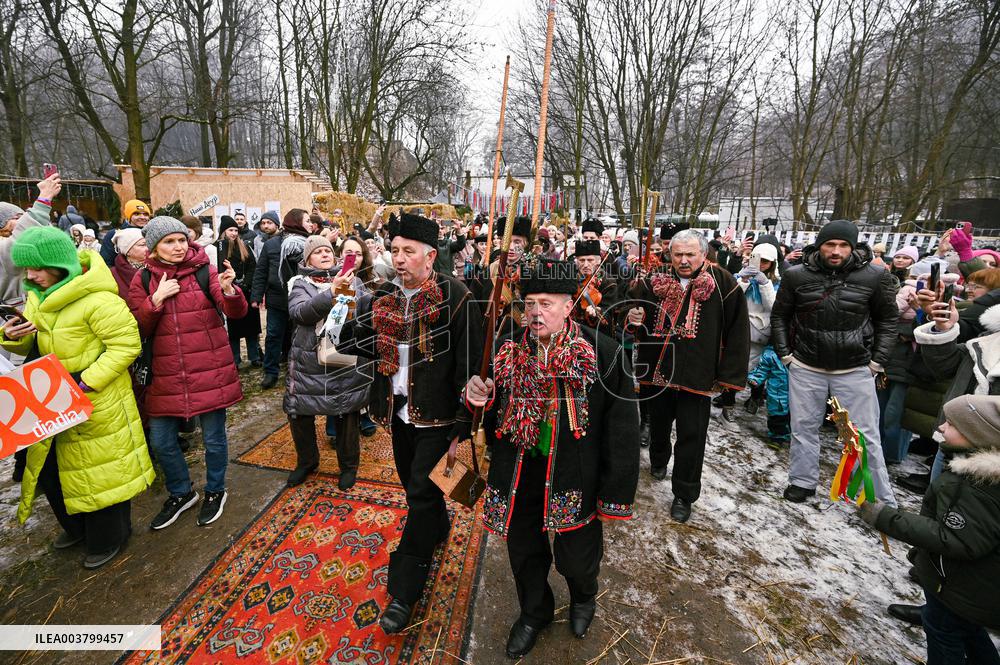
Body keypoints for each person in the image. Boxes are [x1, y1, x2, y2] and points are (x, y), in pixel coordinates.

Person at [464, 258, 640, 659]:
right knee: (524, 553)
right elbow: (487, 406)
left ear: (568, 305)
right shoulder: (507, 347)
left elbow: (623, 431)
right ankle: (533, 611)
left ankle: (582, 598)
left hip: (574, 474)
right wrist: (478, 396)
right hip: (519, 468)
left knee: (578, 558)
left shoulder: (603, 353)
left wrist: (616, 492)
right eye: (529, 303)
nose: (536, 312)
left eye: (546, 303)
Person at [336, 211, 483, 634]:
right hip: (397, 414)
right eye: (394, 250)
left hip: (438, 418)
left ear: (430, 255)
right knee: (414, 485)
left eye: (408, 251)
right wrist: (343, 300)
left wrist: (463, 423)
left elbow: (469, 366)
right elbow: (350, 342)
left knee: (419, 495)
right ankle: (438, 523)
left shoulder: (456, 296)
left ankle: (404, 590)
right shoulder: (383, 296)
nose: (399, 259)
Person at [1, 226, 154, 569]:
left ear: (58, 263)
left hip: (95, 397)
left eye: (37, 267)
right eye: (26, 269)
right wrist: (12, 335)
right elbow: (32, 344)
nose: (31, 275)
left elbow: (127, 345)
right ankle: (77, 525)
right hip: (52, 398)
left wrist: (87, 381)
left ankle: (110, 536)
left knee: (100, 470)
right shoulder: (37, 298)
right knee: (53, 468)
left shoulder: (100, 300)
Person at [858, 394, 1000, 665]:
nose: (941, 428)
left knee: (942, 629)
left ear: (977, 434)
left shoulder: (975, 486)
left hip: (960, 589)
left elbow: (957, 540)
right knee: (967, 629)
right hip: (972, 589)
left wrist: (885, 517)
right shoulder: (974, 471)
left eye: (952, 425)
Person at [127, 216, 247, 530]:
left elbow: (235, 312)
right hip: (165, 375)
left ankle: (215, 490)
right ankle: (181, 493)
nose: (178, 247)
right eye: (169, 241)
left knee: (214, 440)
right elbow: (137, 326)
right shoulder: (142, 280)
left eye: (181, 240)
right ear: (154, 247)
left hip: (209, 370)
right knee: (162, 442)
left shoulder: (205, 271)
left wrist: (230, 289)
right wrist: (156, 300)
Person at [770, 220, 899, 506]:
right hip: (806, 365)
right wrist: (785, 354)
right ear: (820, 245)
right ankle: (802, 481)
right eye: (830, 244)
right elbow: (780, 315)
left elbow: (888, 320)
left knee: (864, 435)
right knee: (803, 428)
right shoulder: (796, 276)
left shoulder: (874, 276)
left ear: (853, 247)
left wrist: (877, 362)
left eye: (843, 245)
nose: (836, 251)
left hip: (854, 368)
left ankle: (879, 499)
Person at [627, 229, 750, 522]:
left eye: (690, 254)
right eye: (677, 254)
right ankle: (658, 459)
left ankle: (684, 493)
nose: (683, 260)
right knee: (658, 424)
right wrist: (632, 318)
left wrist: (729, 377)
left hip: (698, 373)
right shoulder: (653, 280)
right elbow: (633, 310)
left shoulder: (724, 283)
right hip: (657, 368)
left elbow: (738, 331)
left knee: (692, 436)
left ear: (703, 254)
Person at [285, 236, 376, 489]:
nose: (325, 254)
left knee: (346, 411)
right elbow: (300, 313)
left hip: (341, 353)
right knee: (300, 413)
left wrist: (377, 301)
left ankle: (348, 467)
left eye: (327, 250)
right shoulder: (300, 284)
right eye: (318, 252)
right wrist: (332, 293)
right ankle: (307, 461)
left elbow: (366, 308)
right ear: (307, 260)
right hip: (308, 360)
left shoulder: (353, 280)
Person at [251, 209, 315, 389]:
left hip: (302, 300)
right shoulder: (272, 244)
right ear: (295, 222)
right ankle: (270, 371)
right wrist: (256, 296)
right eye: (307, 220)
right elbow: (261, 271)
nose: (311, 224)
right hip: (277, 299)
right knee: (273, 335)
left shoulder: (311, 243)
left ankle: (295, 369)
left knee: (298, 336)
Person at [217, 216, 261, 367]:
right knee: (234, 330)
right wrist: (233, 287)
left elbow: (252, 267)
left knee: (251, 327)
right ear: (224, 231)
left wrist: (245, 285)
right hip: (230, 292)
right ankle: (235, 359)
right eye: (231, 230)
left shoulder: (244, 246)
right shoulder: (218, 248)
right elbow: (219, 271)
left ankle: (254, 357)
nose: (234, 233)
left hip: (246, 291)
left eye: (236, 230)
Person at [572, 239, 620, 335]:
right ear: (576, 261)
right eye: (582, 260)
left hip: (597, 333)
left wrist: (600, 312)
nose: (586, 265)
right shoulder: (571, 277)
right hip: (573, 329)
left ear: (598, 261)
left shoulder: (608, 282)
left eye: (590, 260)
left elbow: (610, 312)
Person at [746, 346, 791, 447]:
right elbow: (762, 368)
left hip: (795, 394)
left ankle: (790, 434)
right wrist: (754, 379)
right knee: (777, 415)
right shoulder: (771, 354)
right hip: (777, 393)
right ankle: (777, 437)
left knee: (795, 416)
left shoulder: (801, 359)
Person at [101, 199, 151, 266]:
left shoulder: (152, 233)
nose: (142, 217)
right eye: (136, 214)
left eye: (145, 214)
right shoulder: (114, 234)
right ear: (128, 216)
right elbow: (106, 262)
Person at [109, 228, 147, 298]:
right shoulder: (111, 274)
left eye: (149, 244)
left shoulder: (156, 267)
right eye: (142, 245)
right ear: (127, 251)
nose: (148, 248)